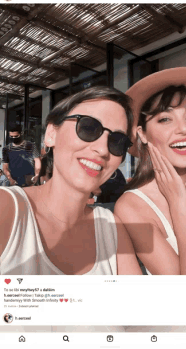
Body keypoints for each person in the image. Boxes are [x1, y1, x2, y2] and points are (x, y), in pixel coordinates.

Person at [0, 86, 142, 275]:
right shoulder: (7, 209)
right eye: (88, 127)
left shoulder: (111, 228)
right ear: (51, 134)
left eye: (117, 141)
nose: (103, 149)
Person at [115, 67, 186, 275]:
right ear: (142, 134)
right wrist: (180, 207)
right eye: (165, 119)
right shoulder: (132, 207)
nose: (183, 129)